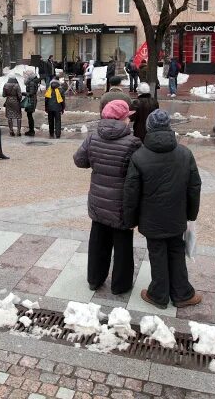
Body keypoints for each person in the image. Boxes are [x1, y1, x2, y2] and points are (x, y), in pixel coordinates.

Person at [123, 109, 203, 309]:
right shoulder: (185, 153)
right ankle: (182, 293)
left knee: (157, 252)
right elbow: (194, 186)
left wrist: (130, 219)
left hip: (151, 217)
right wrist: (191, 214)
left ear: (149, 128)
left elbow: (131, 192)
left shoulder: (139, 156)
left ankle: (159, 293)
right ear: (169, 128)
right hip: (177, 215)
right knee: (176, 249)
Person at [74, 100, 142, 294]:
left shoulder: (93, 138)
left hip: (97, 201)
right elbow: (137, 175)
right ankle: (120, 285)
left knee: (97, 242)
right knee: (122, 246)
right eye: (128, 116)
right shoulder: (133, 142)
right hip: (121, 204)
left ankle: (95, 279)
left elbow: (79, 160)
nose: (129, 119)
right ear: (122, 119)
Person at [22, 69, 40, 136]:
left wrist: (25, 93)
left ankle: (31, 131)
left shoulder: (31, 82)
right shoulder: (32, 81)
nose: (26, 77)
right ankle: (31, 130)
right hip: (32, 100)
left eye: (27, 75)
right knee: (29, 115)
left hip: (31, 101)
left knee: (29, 116)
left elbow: (31, 93)